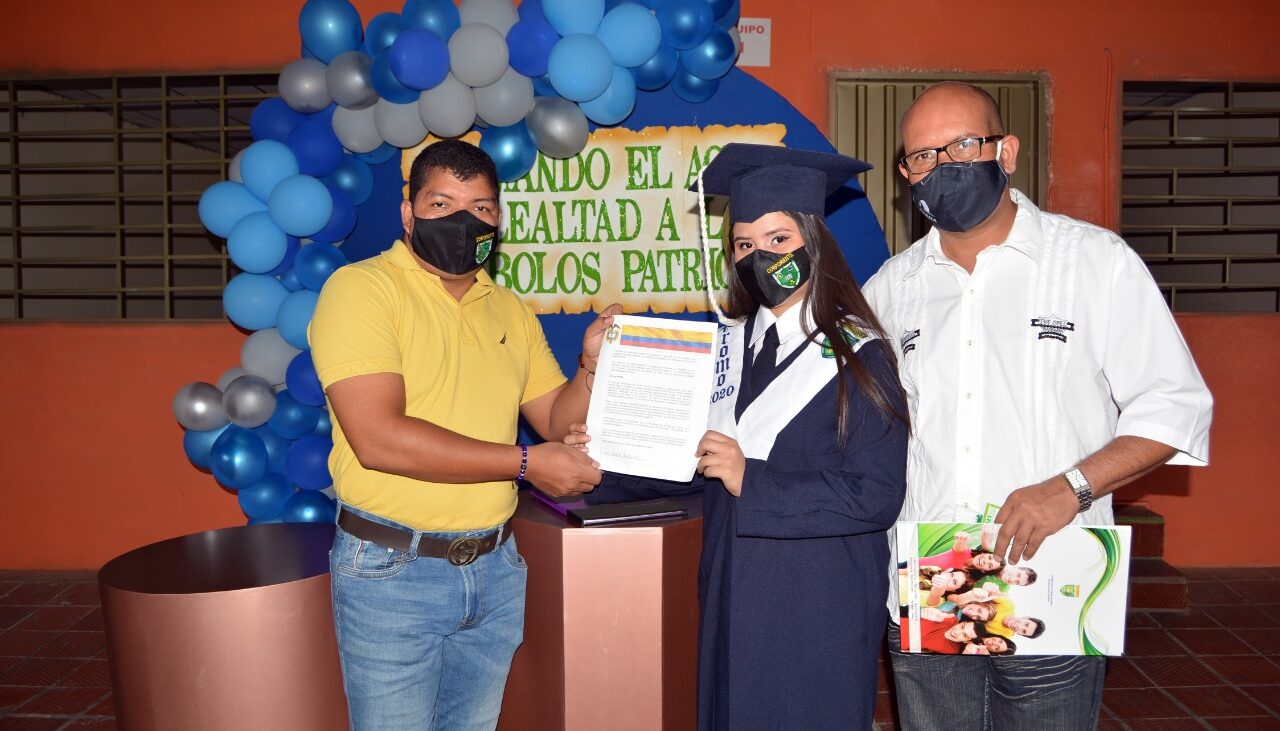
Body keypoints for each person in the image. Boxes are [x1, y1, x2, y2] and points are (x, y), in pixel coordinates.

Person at [863, 81, 1214, 729]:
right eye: (922, 156)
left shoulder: (1093, 263)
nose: (942, 166)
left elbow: (1174, 406)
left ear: (1007, 151)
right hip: (929, 585)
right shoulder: (889, 289)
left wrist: (1072, 487)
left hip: (1052, 571)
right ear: (906, 173)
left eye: (962, 145)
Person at [566, 144, 909, 730]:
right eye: (744, 245)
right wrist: (598, 461)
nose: (760, 257)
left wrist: (755, 478)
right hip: (732, 590)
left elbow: (875, 494)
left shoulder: (858, 355)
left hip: (816, 604)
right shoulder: (727, 348)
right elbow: (691, 462)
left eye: (778, 239)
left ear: (814, 242)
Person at [308, 139, 619, 730]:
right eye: (442, 203)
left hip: (495, 568)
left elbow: (557, 420)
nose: (463, 220)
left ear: (497, 220)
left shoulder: (509, 309)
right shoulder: (362, 290)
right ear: (409, 213)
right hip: (393, 570)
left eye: (480, 208)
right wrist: (526, 464)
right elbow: (378, 439)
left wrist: (592, 364)